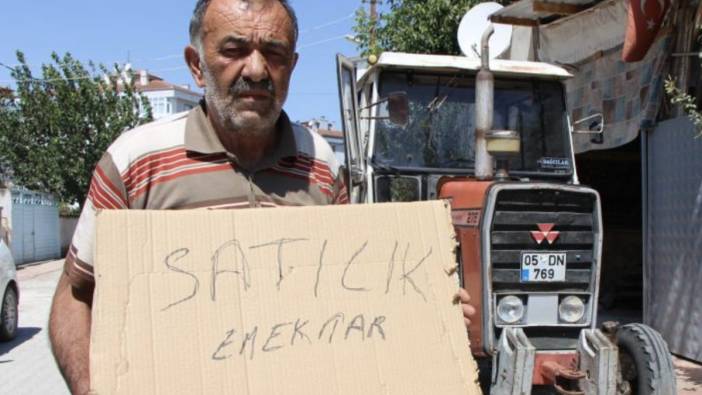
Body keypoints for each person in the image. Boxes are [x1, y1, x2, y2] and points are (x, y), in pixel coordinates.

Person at [48, 1, 475, 394]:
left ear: (292, 65)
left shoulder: (321, 163)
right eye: (234, 50)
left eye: (274, 53)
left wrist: (428, 315)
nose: (256, 70)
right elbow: (75, 294)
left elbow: (354, 298)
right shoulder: (137, 160)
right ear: (196, 65)